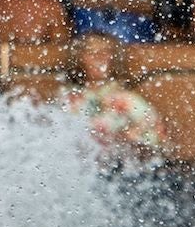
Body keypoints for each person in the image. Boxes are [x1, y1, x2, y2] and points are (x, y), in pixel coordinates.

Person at [64, 34, 163, 166]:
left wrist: (122, 141)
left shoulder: (129, 100)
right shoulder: (69, 98)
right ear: (79, 58)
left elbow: (155, 139)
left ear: (114, 58)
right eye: (91, 52)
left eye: (105, 51)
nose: (99, 57)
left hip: (121, 168)